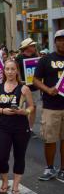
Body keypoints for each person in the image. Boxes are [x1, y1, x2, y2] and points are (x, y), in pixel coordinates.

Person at [0, 59, 34, 194]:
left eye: (12, 69)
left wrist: (24, 111)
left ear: (17, 71)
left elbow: (31, 106)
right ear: (4, 71)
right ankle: (4, 181)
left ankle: (15, 185)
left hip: (21, 128)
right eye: (7, 69)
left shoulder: (24, 88)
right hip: (3, 127)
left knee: (19, 156)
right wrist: (2, 111)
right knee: (1, 157)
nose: (10, 72)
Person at [33, 29, 64, 181]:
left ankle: (63, 169)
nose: (62, 42)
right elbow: (36, 80)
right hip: (51, 106)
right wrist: (47, 89)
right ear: (55, 41)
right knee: (50, 139)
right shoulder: (46, 59)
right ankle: (49, 168)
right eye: (59, 39)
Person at [14, 38, 40, 138]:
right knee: (18, 107)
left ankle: (30, 129)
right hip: (22, 87)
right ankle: (18, 128)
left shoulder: (36, 56)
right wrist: (20, 82)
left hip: (34, 87)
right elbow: (17, 72)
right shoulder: (19, 58)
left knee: (33, 108)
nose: (34, 47)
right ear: (27, 47)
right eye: (32, 45)